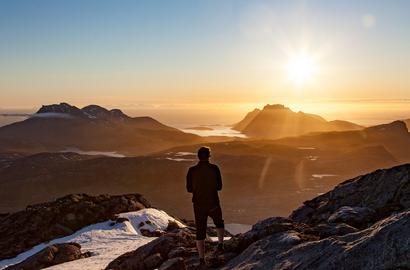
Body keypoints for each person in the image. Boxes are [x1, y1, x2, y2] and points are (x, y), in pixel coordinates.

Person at [186, 146, 225, 265]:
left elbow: (189, 189)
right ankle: (220, 244)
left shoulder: (192, 171)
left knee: (200, 230)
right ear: (209, 156)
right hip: (213, 203)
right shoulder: (214, 168)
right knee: (219, 222)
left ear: (198, 156)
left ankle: (201, 259)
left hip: (198, 205)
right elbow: (219, 187)